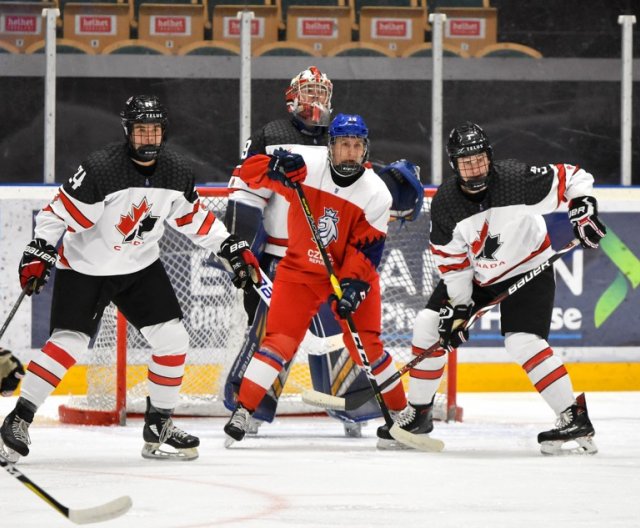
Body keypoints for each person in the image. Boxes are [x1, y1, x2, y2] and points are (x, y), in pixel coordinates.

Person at [0, 95, 260, 463]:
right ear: (128, 132)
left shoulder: (175, 171)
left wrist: (229, 246)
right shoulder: (100, 169)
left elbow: (194, 220)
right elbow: (56, 213)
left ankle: (159, 424)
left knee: (172, 338)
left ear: (163, 131)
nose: (148, 137)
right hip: (86, 267)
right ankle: (18, 419)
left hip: (139, 268)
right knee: (69, 343)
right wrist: (39, 249)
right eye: (141, 130)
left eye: (154, 129)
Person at [377, 122, 606, 455]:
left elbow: (573, 177)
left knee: (522, 341)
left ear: (490, 157)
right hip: (476, 277)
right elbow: (452, 261)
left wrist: (583, 209)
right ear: (454, 165)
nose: (474, 167)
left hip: (528, 265)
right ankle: (420, 415)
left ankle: (573, 416)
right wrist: (459, 307)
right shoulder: (445, 205)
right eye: (465, 161)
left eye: (479, 158)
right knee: (429, 325)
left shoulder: (515, 180)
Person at [223, 113, 409, 446]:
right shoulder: (305, 166)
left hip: (346, 277)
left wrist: (353, 287)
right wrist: (275, 165)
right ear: (330, 148)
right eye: (343, 145)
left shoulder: (376, 194)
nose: (350, 152)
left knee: (366, 345)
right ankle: (244, 410)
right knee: (278, 340)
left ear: (365, 150)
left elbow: (367, 251)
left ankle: (401, 415)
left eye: (356, 146)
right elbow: (246, 173)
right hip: (300, 273)